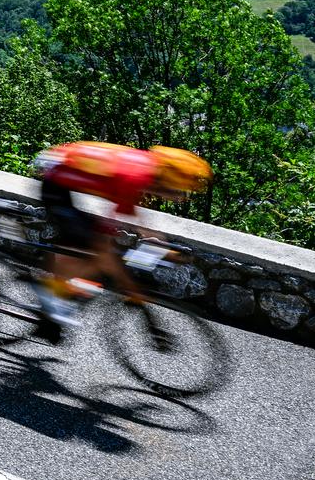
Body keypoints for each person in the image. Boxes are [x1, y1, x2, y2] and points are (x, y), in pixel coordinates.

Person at [31, 141, 212, 342]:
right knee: (95, 251)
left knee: (92, 248)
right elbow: (105, 242)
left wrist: (163, 247)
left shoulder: (146, 168)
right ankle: (49, 292)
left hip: (61, 171)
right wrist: (130, 286)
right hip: (55, 182)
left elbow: (136, 218)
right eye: (179, 191)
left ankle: (58, 295)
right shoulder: (133, 179)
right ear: (168, 181)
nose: (179, 198)